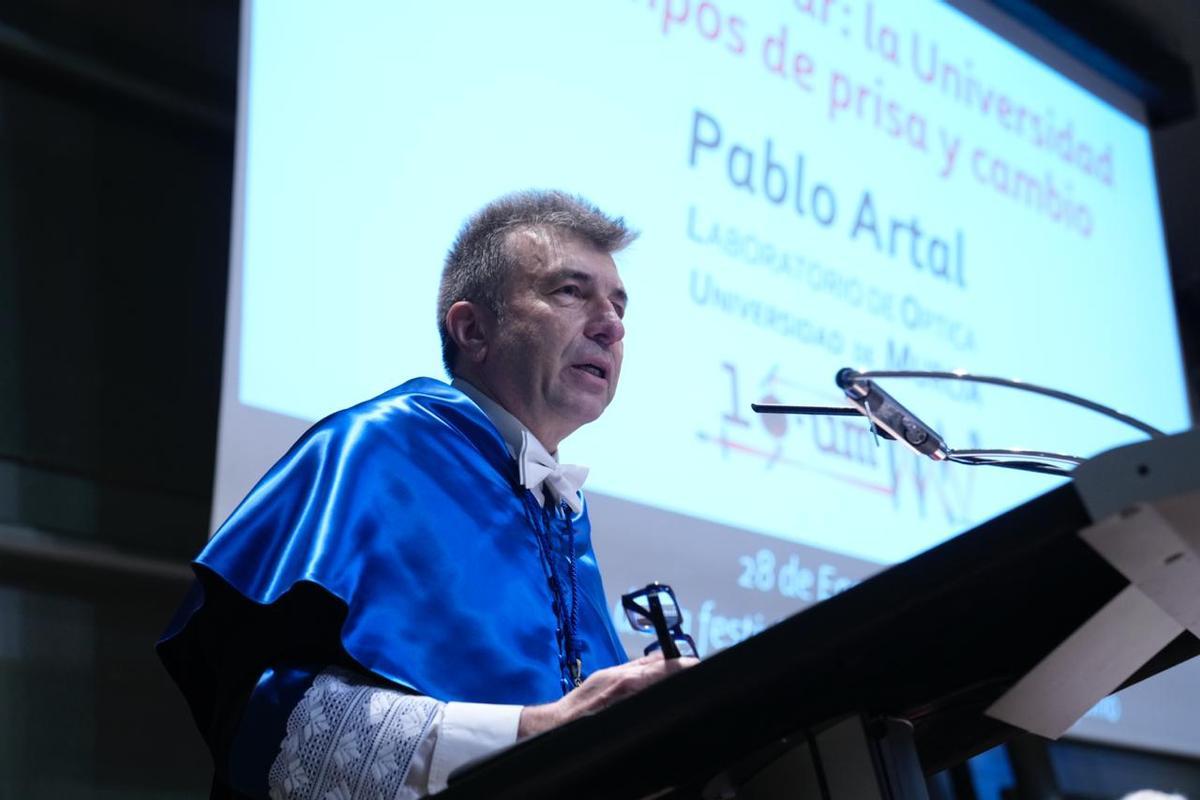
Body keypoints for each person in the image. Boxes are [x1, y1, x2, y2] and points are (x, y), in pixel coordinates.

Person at [158, 190, 693, 800]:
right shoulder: (377, 447)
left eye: (620, 306)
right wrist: (534, 733)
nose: (610, 324)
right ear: (472, 329)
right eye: (570, 292)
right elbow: (264, 722)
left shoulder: (558, 508)